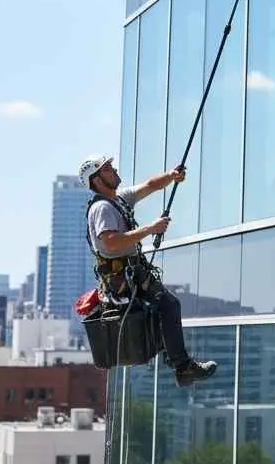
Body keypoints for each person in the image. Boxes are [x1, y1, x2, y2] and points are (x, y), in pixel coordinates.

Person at [80, 154, 216, 387]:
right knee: (168, 306)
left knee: (163, 310)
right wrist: (151, 229)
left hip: (133, 273)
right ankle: (182, 367)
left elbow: (149, 186)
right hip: (122, 278)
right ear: (96, 180)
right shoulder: (102, 208)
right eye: (107, 169)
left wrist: (171, 176)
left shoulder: (119, 199)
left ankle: (177, 362)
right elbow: (111, 241)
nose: (113, 170)